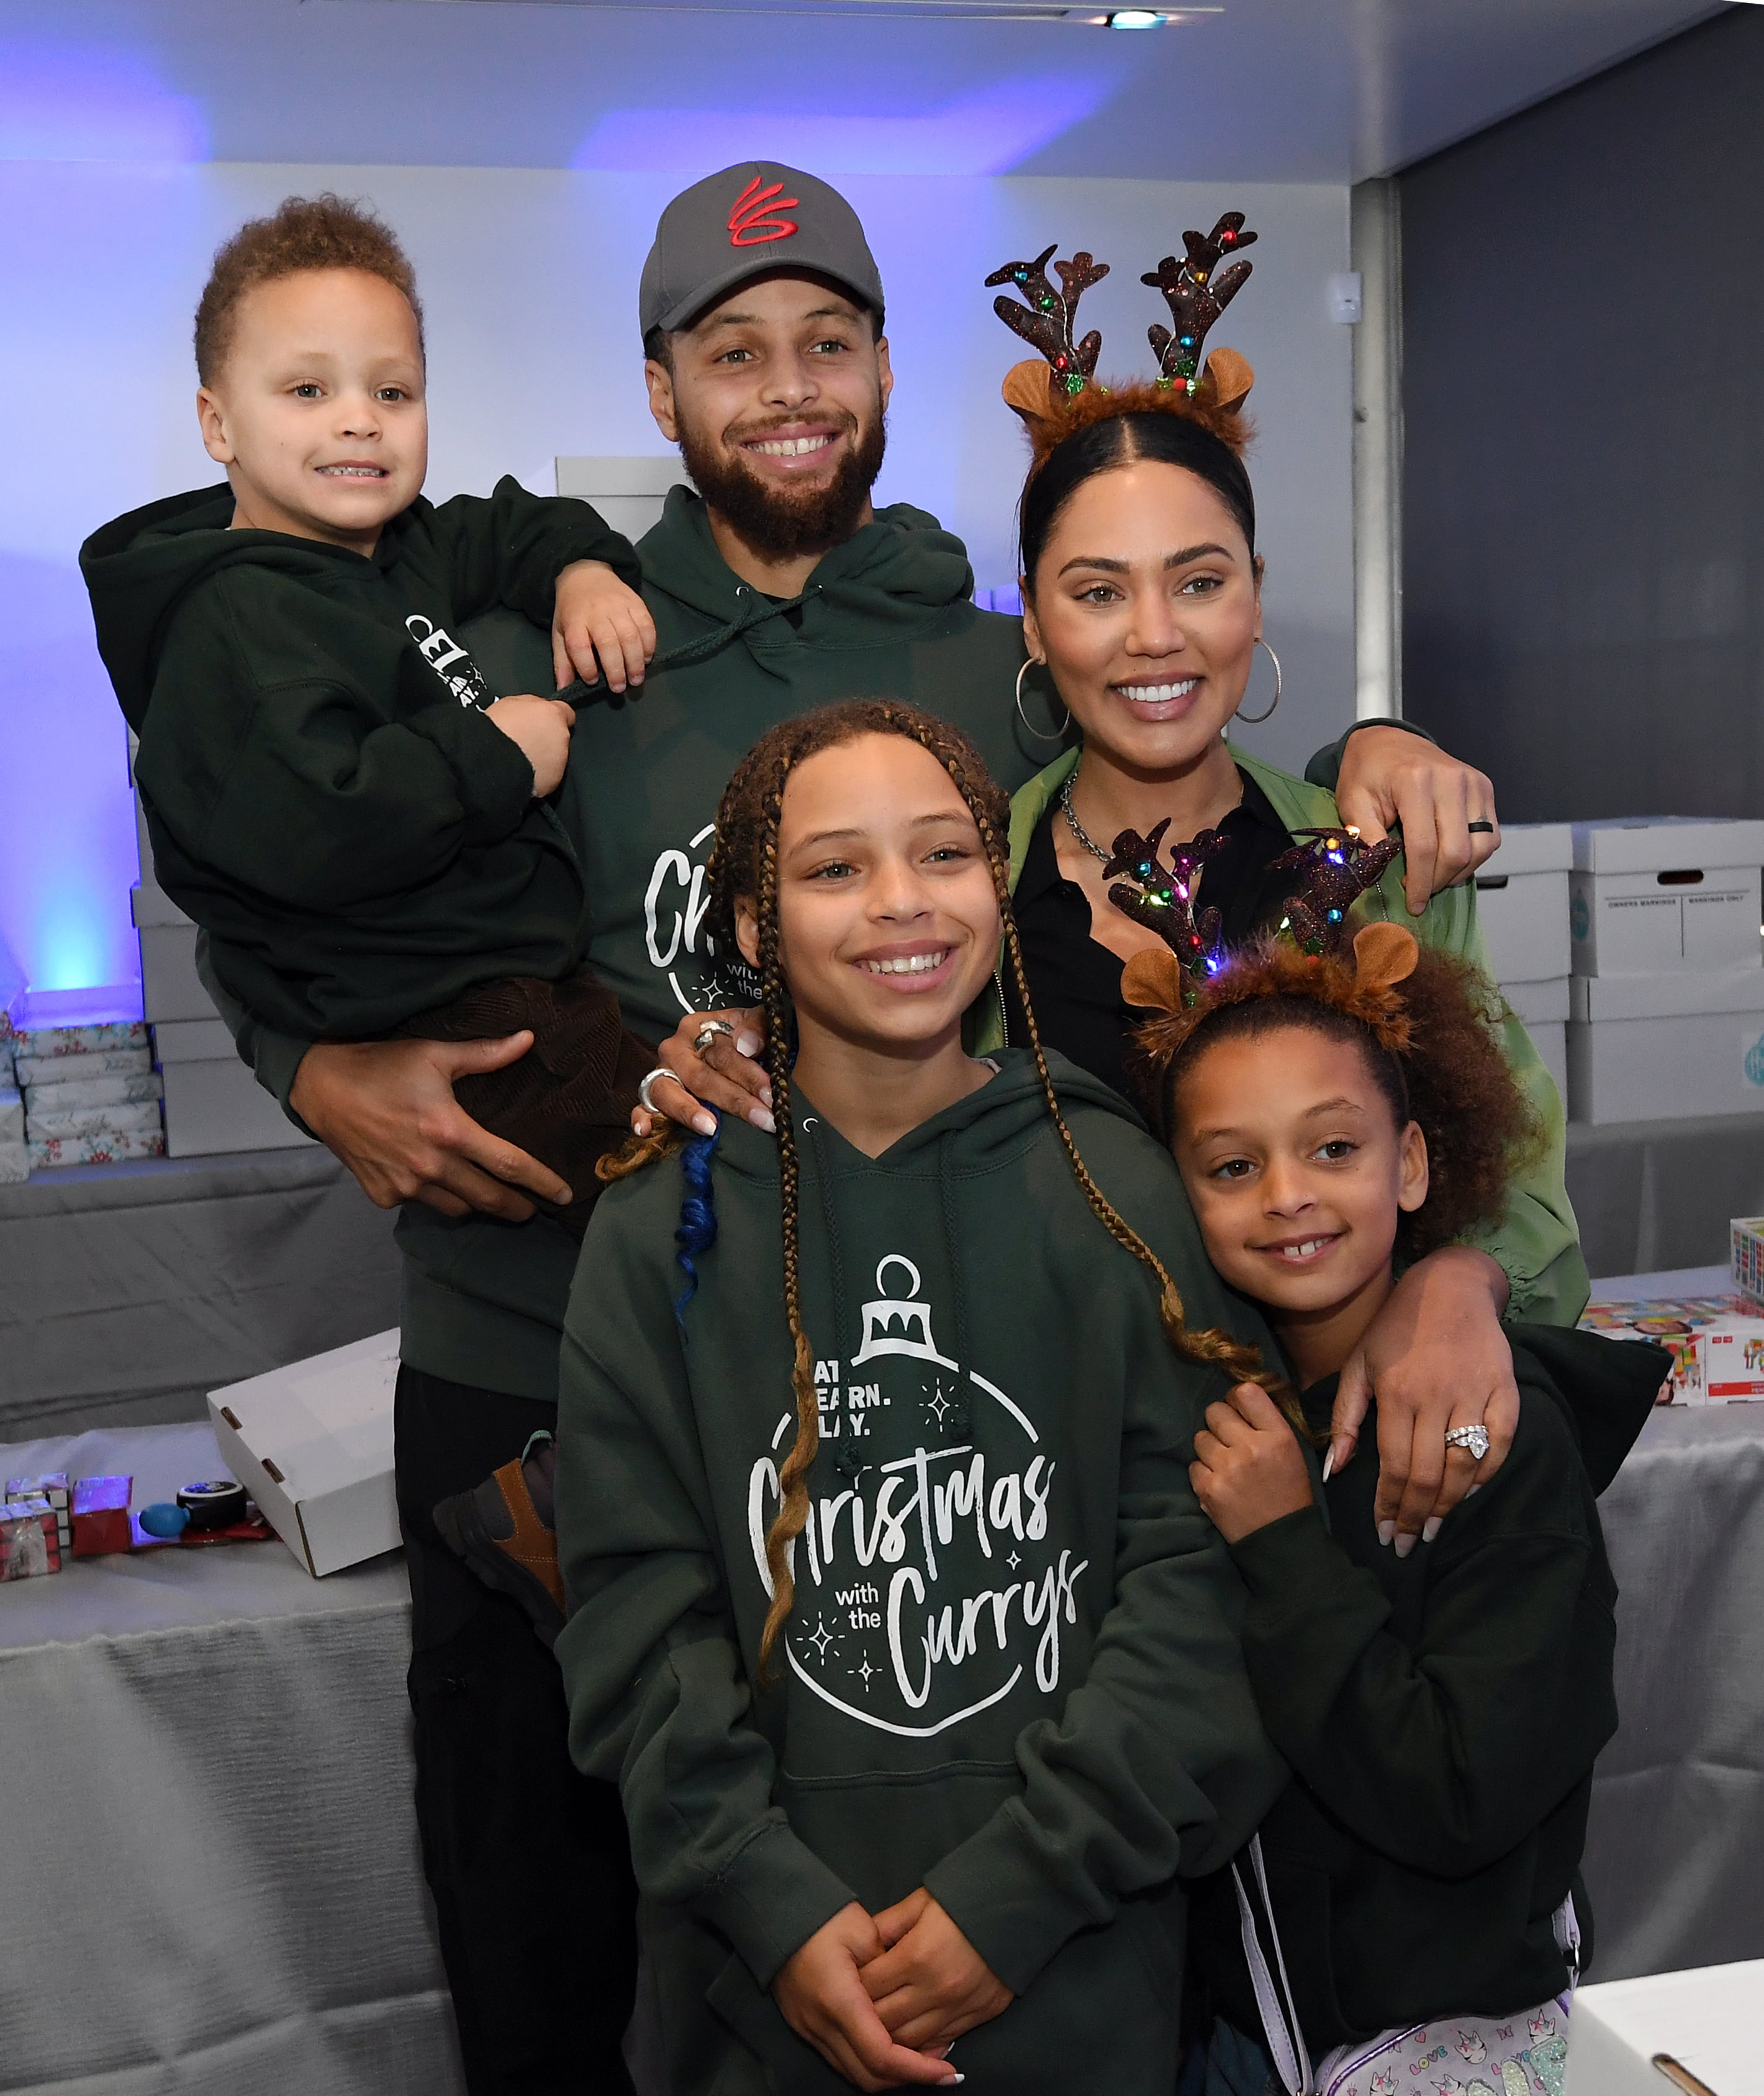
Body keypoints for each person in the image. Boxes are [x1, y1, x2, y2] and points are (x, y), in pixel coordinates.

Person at [199, 168, 1507, 2090]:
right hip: (540, 1339)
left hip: (949, 1332)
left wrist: (1375, 749)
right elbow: (289, 834)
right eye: (732, 355)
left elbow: (1175, 717)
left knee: (978, 1791)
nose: (785, 390)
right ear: (661, 396)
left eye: (826, 344)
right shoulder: (561, 633)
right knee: (562, 1933)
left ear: (890, 369)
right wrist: (300, 1058)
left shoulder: (985, 650)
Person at [646, 214, 1579, 1554]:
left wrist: (1460, 1280)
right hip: (1052, 1527)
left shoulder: (1379, 862)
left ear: (1253, 597)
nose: (1153, 636)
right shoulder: (965, 904)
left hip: (1365, 1503)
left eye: (1196, 581)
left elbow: (1525, 1189)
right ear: (1030, 615)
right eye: (1096, 591)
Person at [554, 701, 1287, 2095]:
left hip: (1075, 1969)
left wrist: (1017, 1891)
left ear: (989, 884)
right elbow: (633, 1612)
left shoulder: (1116, 1189)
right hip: (763, 1996)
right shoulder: (661, 1226)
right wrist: (772, 1903)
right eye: (833, 868)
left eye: (942, 853)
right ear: (755, 928)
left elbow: (1196, 1575)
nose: (899, 902)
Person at [1111, 907, 1661, 2095]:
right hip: (1241, 2034)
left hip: (1434, 2043)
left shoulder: (1499, 1443)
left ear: (1410, 1163)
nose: (1287, 1197)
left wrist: (1284, 1549)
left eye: (1333, 1150)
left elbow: (1461, 1795)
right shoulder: (1224, 1420)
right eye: (1230, 1167)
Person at [80, 193, 657, 1229]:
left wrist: (581, 568)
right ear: (219, 423)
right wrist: (498, 755)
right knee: (667, 1177)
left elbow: (518, 523)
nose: (359, 418)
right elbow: (317, 824)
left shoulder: (407, 547)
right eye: (307, 388)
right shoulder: (234, 618)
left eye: (393, 390)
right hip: (414, 1001)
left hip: (503, 970)